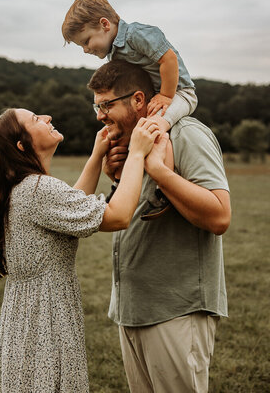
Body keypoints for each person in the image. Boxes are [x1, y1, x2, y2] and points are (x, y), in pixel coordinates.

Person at [0, 107, 163, 393]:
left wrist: (96, 155)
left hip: (26, 320)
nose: (47, 118)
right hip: (46, 323)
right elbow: (118, 216)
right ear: (22, 145)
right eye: (35, 119)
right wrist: (137, 154)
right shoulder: (39, 189)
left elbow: (72, 203)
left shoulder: (26, 188)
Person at [88, 59, 231, 393]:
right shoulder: (130, 148)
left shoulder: (187, 134)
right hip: (133, 310)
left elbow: (220, 216)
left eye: (106, 105)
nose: (99, 115)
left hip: (176, 311)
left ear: (138, 100)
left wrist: (160, 171)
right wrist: (117, 179)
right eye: (96, 106)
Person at [61, 0, 198, 219]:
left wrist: (165, 96)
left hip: (179, 93)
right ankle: (120, 184)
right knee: (125, 136)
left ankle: (163, 191)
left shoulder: (136, 35)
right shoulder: (114, 53)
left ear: (105, 25)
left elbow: (169, 59)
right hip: (155, 95)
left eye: (86, 41)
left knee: (152, 128)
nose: (85, 49)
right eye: (81, 46)